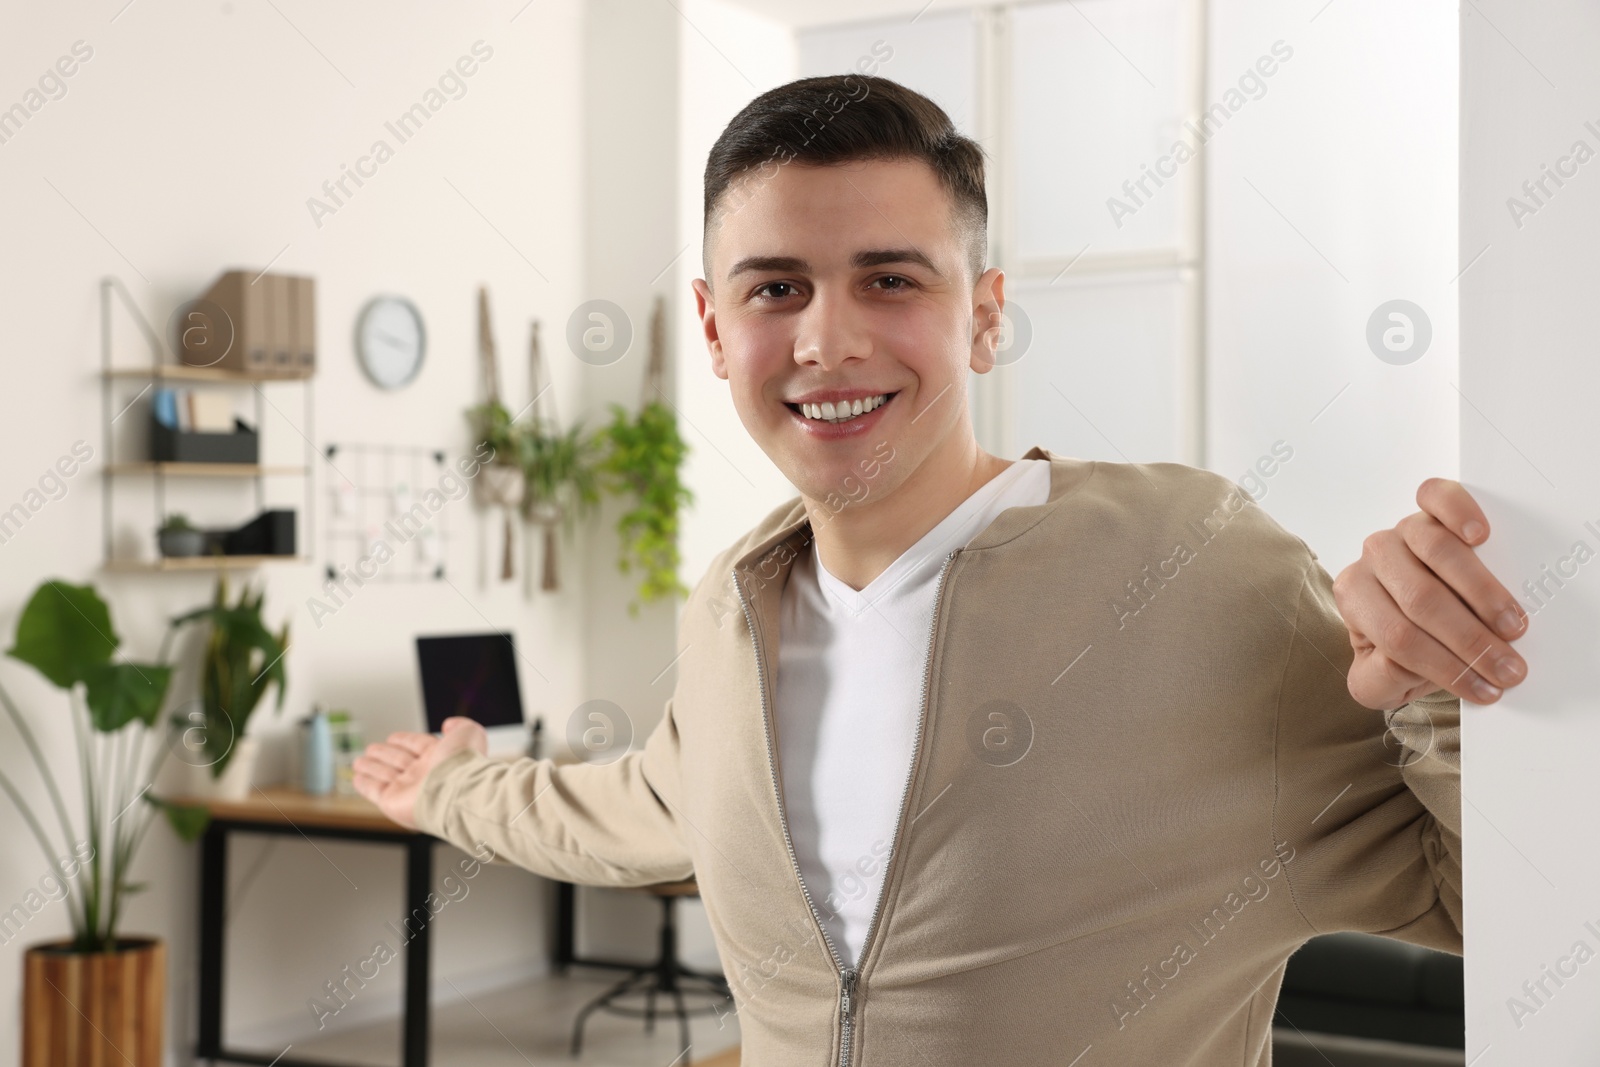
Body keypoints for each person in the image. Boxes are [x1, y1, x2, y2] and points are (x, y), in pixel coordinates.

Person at [354, 75, 1528, 1065]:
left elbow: (1513, 902)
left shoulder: (1195, 566)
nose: (828, 339)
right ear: (715, 331)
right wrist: (448, 788)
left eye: (890, 279)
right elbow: (638, 809)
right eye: (776, 288)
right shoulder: (734, 609)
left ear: (984, 315)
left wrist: (1439, 687)